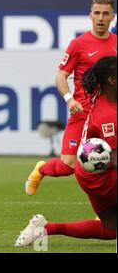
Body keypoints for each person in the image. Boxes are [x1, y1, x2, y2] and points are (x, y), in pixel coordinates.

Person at [15, 56, 116, 246]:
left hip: (91, 173)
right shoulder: (107, 116)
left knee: (111, 229)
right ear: (112, 80)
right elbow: (115, 159)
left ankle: (44, 229)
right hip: (101, 178)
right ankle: (42, 170)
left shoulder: (106, 97)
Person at [25, 0, 117, 196]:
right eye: (97, 13)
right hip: (83, 113)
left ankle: (104, 216)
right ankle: (41, 169)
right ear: (90, 16)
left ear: (112, 17)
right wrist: (69, 98)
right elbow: (61, 75)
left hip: (110, 115)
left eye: (105, 14)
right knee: (69, 164)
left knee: (110, 164)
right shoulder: (79, 44)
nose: (101, 18)